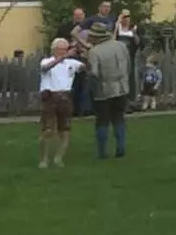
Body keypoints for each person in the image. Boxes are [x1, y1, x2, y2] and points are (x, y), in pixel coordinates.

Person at [36, 37, 85, 169]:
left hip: (66, 97)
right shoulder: (47, 60)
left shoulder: (72, 63)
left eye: (65, 49)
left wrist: (83, 51)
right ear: (54, 49)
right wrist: (63, 57)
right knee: (47, 130)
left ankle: (59, 158)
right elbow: (45, 68)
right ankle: (44, 159)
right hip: (50, 97)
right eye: (61, 49)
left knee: (65, 130)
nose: (64, 51)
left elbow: (85, 67)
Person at [88, 30, 133, 161]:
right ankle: (121, 148)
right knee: (119, 118)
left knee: (102, 120)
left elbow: (94, 73)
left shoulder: (94, 51)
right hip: (122, 87)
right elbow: (129, 66)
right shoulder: (121, 46)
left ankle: (102, 152)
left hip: (104, 89)